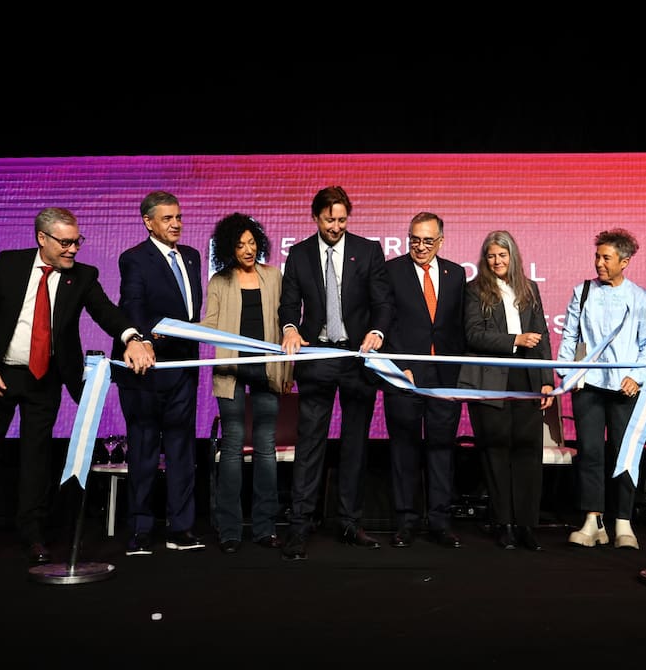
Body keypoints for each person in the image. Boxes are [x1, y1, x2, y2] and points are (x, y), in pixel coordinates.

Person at [0, 207, 154, 568]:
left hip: (44, 378)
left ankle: (33, 536)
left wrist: (132, 338)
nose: (73, 250)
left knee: (37, 460)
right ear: (42, 239)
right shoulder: (9, 265)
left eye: (76, 241)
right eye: (64, 243)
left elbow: (106, 311)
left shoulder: (82, 277)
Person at [278, 185, 392, 560]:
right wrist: (290, 328)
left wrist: (377, 333)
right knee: (310, 445)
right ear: (315, 217)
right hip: (317, 357)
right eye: (330, 219)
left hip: (357, 358)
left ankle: (349, 522)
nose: (337, 226)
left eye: (343, 219)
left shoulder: (369, 250)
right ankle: (299, 527)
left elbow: (382, 302)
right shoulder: (298, 255)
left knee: (355, 445)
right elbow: (289, 304)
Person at [556, 228, 646, 550]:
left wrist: (637, 376)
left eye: (606, 258)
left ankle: (623, 522)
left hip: (625, 388)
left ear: (625, 261)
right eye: (597, 256)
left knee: (624, 454)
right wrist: (567, 375)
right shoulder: (583, 291)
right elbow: (569, 337)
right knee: (589, 452)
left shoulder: (640, 297)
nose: (599, 263)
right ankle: (593, 520)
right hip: (587, 385)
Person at [112, 191, 203, 556]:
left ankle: (180, 528)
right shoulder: (134, 258)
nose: (176, 224)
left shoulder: (193, 257)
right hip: (146, 370)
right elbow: (132, 303)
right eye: (167, 218)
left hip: (184, 367)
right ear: (148, 222)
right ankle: (141, 529)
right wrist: (146, 336)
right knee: (145, 450)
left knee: (182, 450)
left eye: (178, 217)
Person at [200, 212, 293, 554]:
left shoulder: (274, 276)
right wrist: (177, 330)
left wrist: (288, 373)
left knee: (266, 450)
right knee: (233, 447)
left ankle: (266, 528)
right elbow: (209, 323)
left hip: (267, 372)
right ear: (229, 248)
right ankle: (230, 531)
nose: (248, 249)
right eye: (240, 245)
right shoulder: (219, 282)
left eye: (252, 242)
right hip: (231, 373)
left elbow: (287, 324)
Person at [457, 230, 554, 551]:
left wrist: (547, 380)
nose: (497, 261)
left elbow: (541, 337)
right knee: (496, 452)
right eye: (491, 255)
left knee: (527, 452)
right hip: (490, 381)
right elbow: (473, 334)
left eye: (502, 255)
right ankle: (504, 524)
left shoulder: (529, 289)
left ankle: (526, 525)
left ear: (513, 256)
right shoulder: (474, 290)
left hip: (527, 379)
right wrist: (515, 339)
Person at [382, 212, 466, 549]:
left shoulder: (456, 274)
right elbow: (382, 322)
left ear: (441, 241)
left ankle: (440, 522)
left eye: (428, 240)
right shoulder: (390, 271)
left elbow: (459, 328)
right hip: (404, 376)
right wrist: (400, 365)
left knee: (442, 450)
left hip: (444, 377)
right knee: (404, 450)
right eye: (414, 239)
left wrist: (459, 374)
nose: (420, 246)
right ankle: (406, 522)